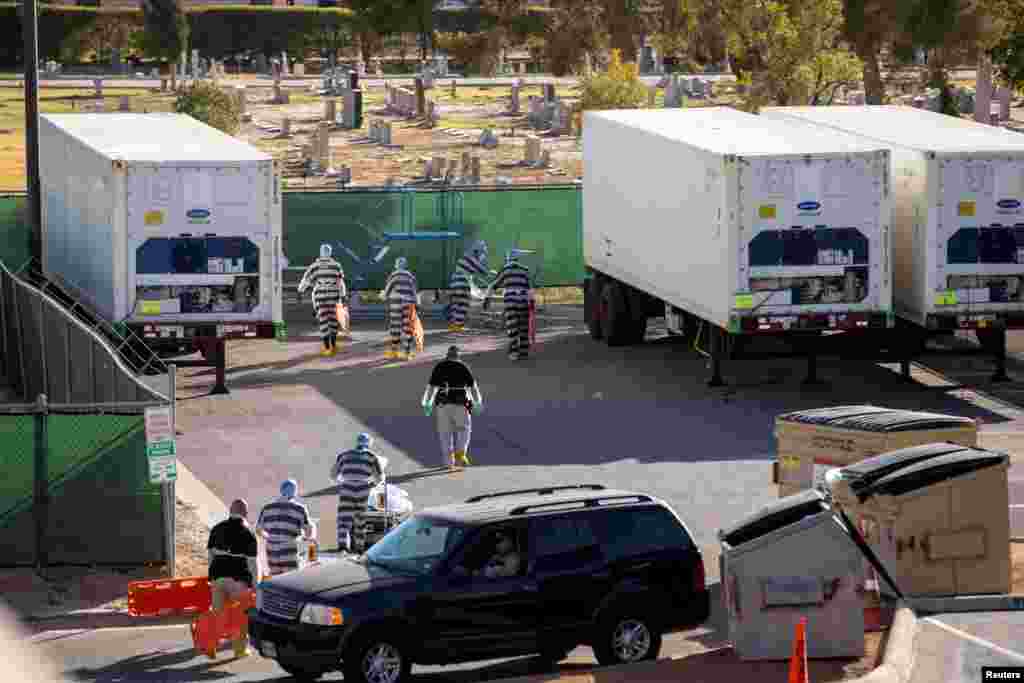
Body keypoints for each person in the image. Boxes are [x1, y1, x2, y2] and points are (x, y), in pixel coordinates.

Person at [206, 498, 260, 659]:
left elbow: (210, 556)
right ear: (245, 514)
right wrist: (255, 585)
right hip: (238, 580)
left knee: (218, 615)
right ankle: (240, 650)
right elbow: (252, 564)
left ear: (230, 511)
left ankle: (211, 643)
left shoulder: (216, 529)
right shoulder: (248, 533)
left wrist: (211, 578)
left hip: (217, 577)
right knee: (240, 616)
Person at [422, 345, 483, 469]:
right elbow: (473, 387)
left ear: (447, 356)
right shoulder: (463, 367)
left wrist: (427, 403)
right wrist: (478, 402)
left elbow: (431, 387)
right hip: (461, 404)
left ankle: (448, 462)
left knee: (445, 433)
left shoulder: (439, 367)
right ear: (458, 356)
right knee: (464, 429)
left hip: (443, 404)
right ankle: (461, 453)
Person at [330, 433, 383, 553]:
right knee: (360, 519)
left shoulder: (344, 455)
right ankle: (359, 548)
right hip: (363, 489)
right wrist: (372, 484)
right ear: (368, 444)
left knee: (344, 519)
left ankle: (342, 547)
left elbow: (333, 474)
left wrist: (342, 482)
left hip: (347, 488)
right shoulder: (371, 457)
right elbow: (379, 477)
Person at [256, 479, 316, 577]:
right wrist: (303, 538)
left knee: (276, 580)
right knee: (291, 580)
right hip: (289, 551)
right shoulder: (299, 509)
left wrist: (270, 538)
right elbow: (309, 532)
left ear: (281, 490)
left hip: (272, 553)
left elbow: (258, 530)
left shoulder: (267, 508)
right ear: (294, 492)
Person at [298, 244, 346, 357]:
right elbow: (340, 283)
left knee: (323, 321)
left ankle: (327, 348)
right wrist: (343, 296)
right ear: (330, 253)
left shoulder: (314, 266)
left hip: (320, 297)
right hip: (334, 296)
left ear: (320, 253)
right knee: (334, 321)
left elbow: (306, 279)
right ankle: (333, 345)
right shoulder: (336, 266)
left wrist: (300, 291)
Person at [484, 250, 532, 361]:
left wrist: (487, 298)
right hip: (523, 301)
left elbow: (493, 285)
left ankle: (514, 353)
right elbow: (529, 288)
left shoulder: (505, 269)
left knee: (512, 327)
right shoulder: (525, 270)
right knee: (523, 327)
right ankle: (524, 351)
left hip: (510, 302)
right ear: (517, 259)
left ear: (508, 259)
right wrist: (532, 301)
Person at [446, 240, 491, 333]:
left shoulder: (465, 257)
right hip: (462, 284)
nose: (482, 255)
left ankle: (454, 326)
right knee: (463, 305)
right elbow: (483, 271)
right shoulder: (472, 259)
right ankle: (457, 326)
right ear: (477, 251)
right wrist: (490, 272)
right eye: (482, 253)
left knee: (456, 305)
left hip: (454, 283)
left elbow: (473, 273)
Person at [383, 257, 418, 360]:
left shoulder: (393, 275)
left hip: (396, 303)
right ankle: (407, 353)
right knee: (408, 328)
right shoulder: (410, 276)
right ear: (405, 265)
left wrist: (385, 297)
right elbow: (414, 291)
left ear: (396, 265)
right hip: (408, 304)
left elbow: (387, 290)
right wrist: (416, 303)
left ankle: (394, 351)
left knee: (395, 327)